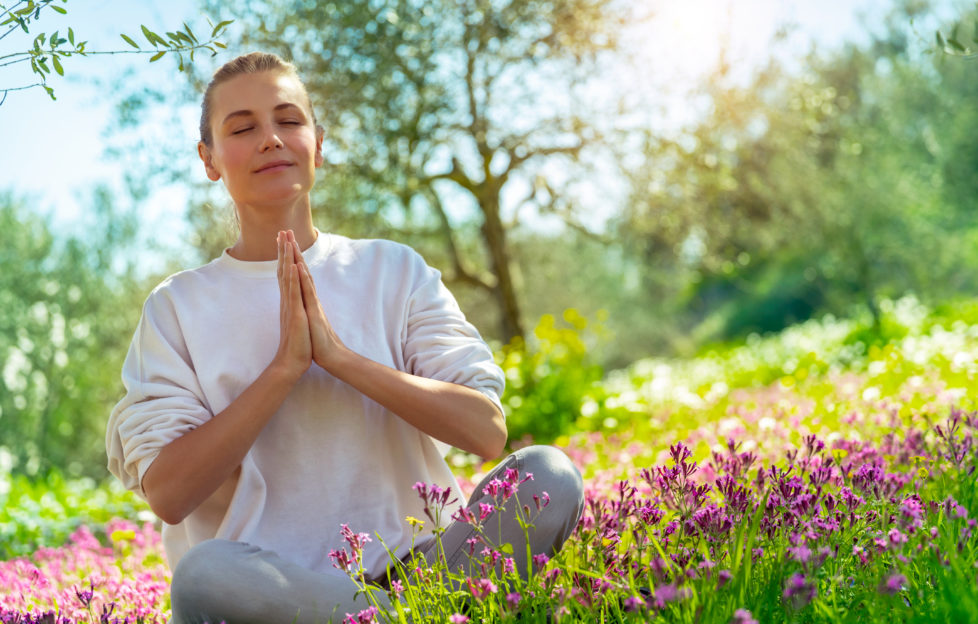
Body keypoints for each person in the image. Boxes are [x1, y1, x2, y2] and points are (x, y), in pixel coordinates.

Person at [105, 52, 584, 624]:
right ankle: (413, 615)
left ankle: (394, 611)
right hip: (277, 589)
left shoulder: (392, 270)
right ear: (208, 159)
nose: (270, 140)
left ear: (318, 144)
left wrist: (338, 358)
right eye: (242, 128)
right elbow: (169, 492)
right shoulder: (176, 308)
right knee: (205, 576)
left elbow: (485, 430)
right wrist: (284, 369)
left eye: (289, 120)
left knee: (547, 476)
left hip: (429, 562)